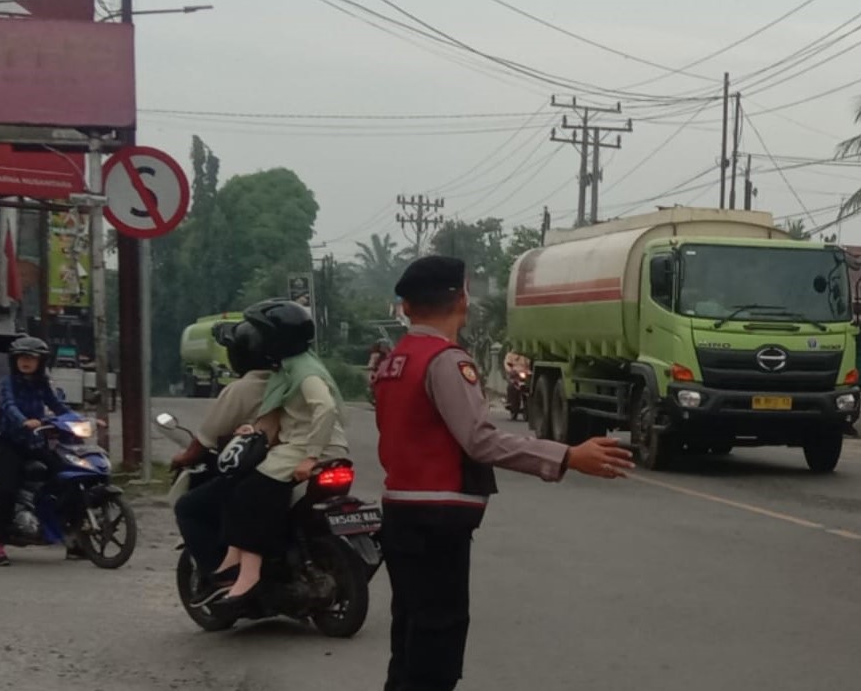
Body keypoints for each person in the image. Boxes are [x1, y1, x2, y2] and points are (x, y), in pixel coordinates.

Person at [373, 256, 634, 691]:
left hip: (402, 511)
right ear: (461, 299)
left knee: (410, 638)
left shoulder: (395, 360)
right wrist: (566, 456)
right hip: (437, 519)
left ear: (405, 307)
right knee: (436, 644)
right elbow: (481, 440)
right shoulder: (445, 362)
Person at [210, 299, 350, 612]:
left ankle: (248, 576)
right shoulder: (292, 366)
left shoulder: (304, 371)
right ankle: (235, 560)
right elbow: (278, 416)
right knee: (251, 494)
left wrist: (311, 456)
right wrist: (252, 430)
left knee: (248, 494)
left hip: (310, 447)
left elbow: (325, 409)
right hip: (307, 445)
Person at [172, 319, 274, 598]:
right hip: (304, 465)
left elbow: (204, 440)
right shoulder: (292, 383)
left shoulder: (241, 389)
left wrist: (183, 458)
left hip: (261, 471)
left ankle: (223, 576)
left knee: (188, 508)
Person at [0, 336, 72, 567]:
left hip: (35, 443)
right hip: (8, 444)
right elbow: (9, 406)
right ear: (14, 360)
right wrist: (24, 421)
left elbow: (57, 405)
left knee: (65, 475)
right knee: (7, 490)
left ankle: (69, 535)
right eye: (22, 358)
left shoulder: (42, 384)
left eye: (31, 358)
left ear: (40, 362)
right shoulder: (7, 383)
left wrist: (82, 419)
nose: (26, 362)